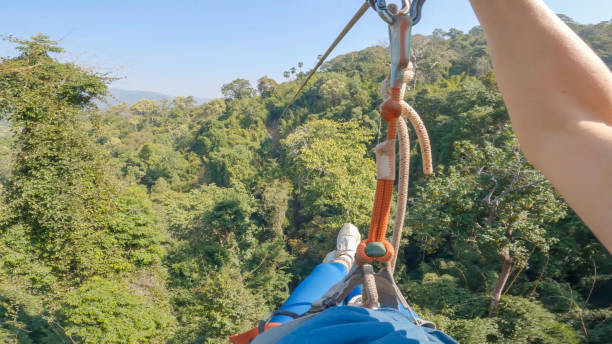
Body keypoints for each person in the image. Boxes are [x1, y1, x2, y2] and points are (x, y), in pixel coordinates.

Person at [236, 0, 612, 342]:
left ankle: (342, 262)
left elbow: (574, 121)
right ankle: (350, 272)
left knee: (296, 310)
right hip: (403, 327)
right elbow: (577, 121)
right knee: (365, 299)